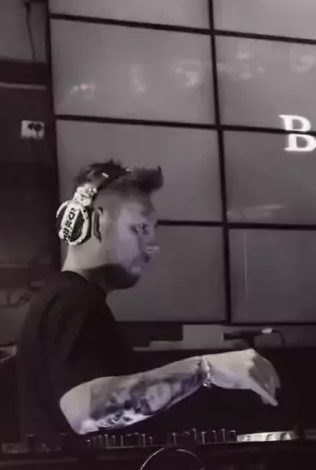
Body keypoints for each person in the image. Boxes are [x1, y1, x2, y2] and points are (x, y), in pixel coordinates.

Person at [17, 160, 280, 443]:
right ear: (92, 223)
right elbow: (85, 411)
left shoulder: (64, 298)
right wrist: (206, 369)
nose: (152, 246)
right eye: (141, 228)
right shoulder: (72, 301)